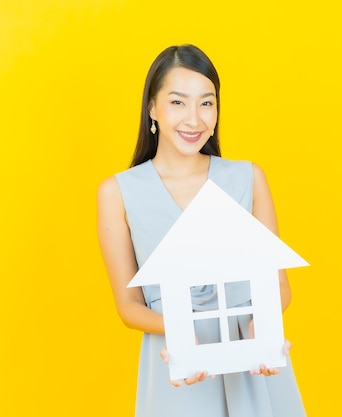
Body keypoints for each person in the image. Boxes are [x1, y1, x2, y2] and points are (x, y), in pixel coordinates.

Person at [97, 44, 306, 417]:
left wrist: (263, 326)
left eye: (206, 103)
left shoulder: (248, 177)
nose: (194, 119)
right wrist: (177, 331)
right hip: (179, 367)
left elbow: (279, 283)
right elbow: (128, 306)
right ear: (152, 108)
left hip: (252, 362)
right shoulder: (118, 192)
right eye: (178, 102)